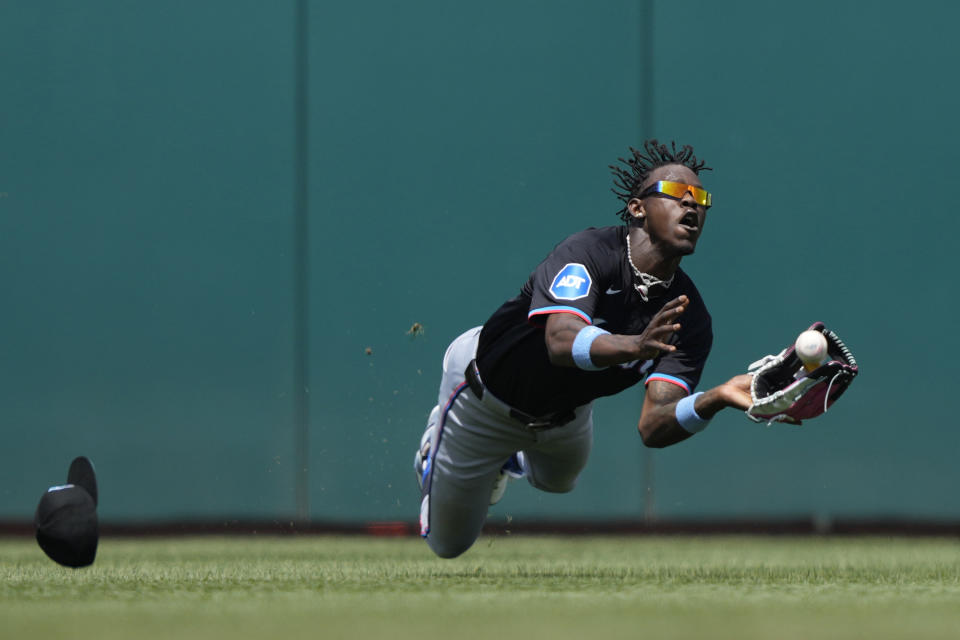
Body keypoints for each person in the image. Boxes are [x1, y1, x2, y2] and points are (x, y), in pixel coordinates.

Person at [414, 139, 753, 558]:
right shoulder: (590, 252)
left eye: (702, 199)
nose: (692, 205)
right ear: (637, 208)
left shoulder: (690, 316)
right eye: (676, 194)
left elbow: (654, 427)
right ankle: (437, 448)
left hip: (565, 416)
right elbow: (560, 341)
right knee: (449, 545)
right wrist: (636, 345)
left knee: (558, 482)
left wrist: (715, 399)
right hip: (484, 394)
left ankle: (508, 461)